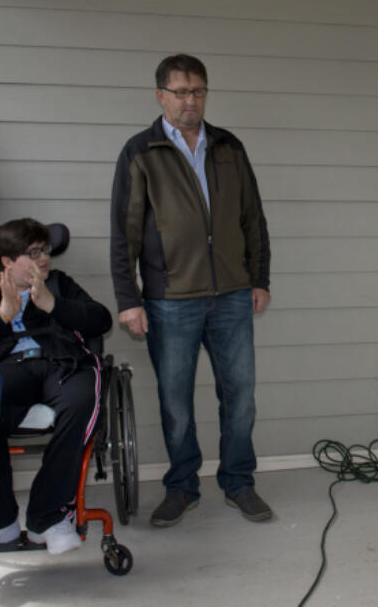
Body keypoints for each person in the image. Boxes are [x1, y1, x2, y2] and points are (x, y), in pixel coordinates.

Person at [110, 53, 273, 526]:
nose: (190, 100)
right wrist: (129, 300)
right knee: (175, 402)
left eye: (198, 90)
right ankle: (181, 487)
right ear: (160, 95)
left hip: (232, 296)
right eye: (180, 92)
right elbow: (125, 233)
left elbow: (253, 220)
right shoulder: (140, 152)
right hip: (168, 300)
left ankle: (239, 482)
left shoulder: (229, 147)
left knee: (240, 396)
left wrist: (258, 279)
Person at [0, 218, 112, 555]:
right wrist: (2, 315)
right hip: (10, 369)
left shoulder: (60, 284)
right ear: (7, 262)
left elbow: (101, 319)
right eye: (34, 253)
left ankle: (49, 517)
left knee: (82, 398)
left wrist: (53, 305)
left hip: (61, 365)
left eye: (45, 251)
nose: (44, 260)